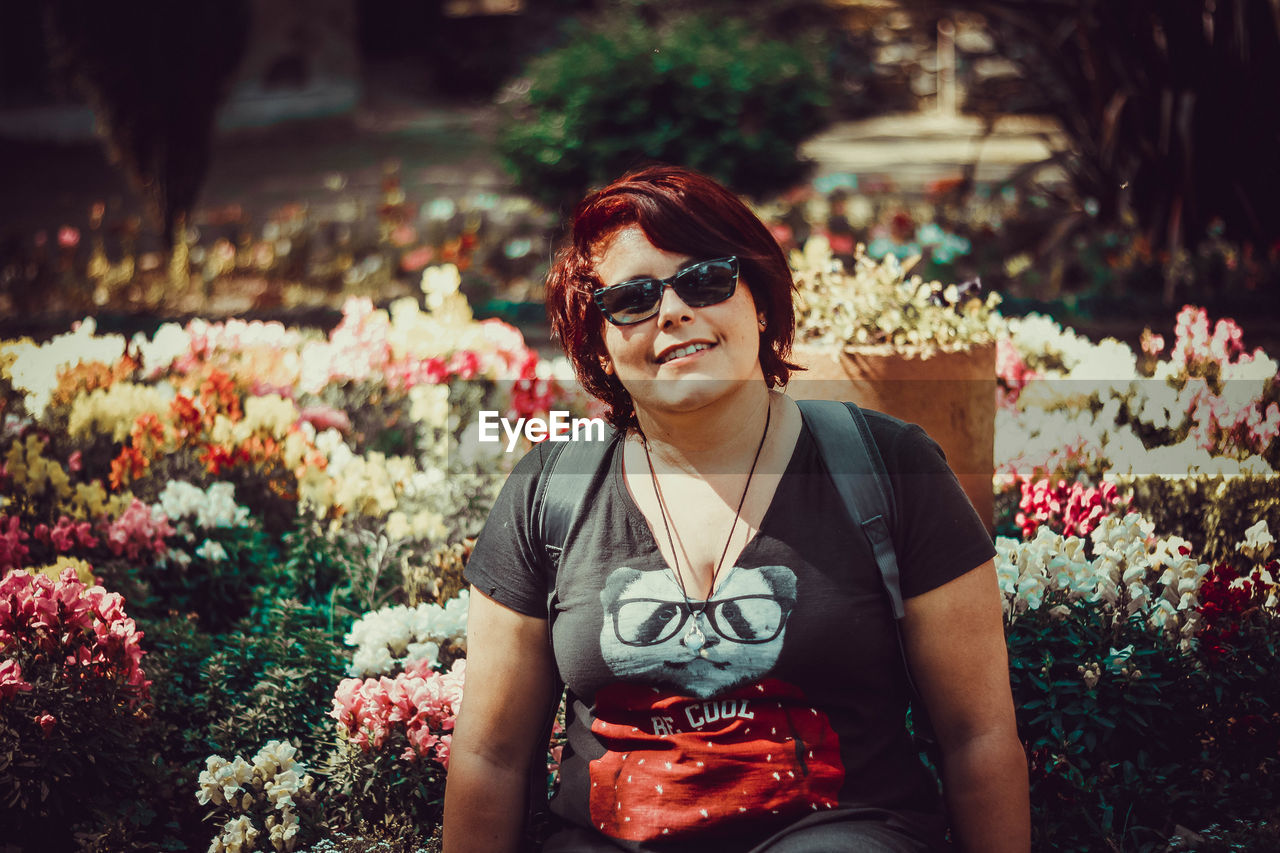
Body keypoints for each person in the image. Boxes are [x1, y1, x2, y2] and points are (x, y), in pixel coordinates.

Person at [443, 165, 1029, 852]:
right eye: (631, 299)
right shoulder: (551, 489)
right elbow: (492, 756)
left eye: (705, 279)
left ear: (757, 298)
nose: (672, 312)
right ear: (598, 340)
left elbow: (978, 736)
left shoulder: (888, 466)